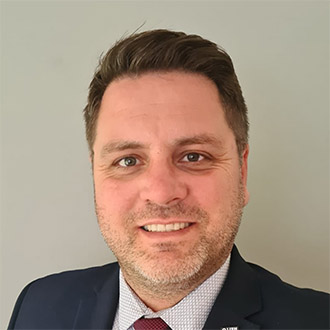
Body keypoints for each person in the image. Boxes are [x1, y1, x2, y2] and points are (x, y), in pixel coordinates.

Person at [8, 29, 329, 330]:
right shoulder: (39, 306)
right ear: (95, 173)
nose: (161, 193)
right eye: (128, 160)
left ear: (242, 173)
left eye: (194, 156)